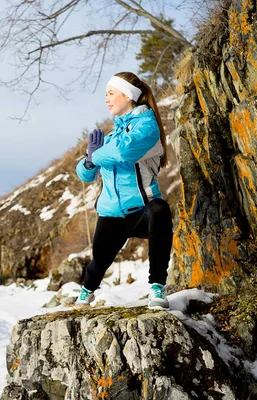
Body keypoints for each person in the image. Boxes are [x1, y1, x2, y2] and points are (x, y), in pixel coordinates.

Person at [75, 72, 173, 309]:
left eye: (111, 93)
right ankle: (86, 292)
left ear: (128, 95)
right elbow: (87, 174)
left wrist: (94, 155)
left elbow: (123, 152)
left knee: (159, 210)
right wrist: (88, 162)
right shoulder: (111, 136)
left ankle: (157, 287)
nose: (106, 100)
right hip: (111, 214)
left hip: (142, 211)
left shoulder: (148, 126)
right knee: (98, 263)